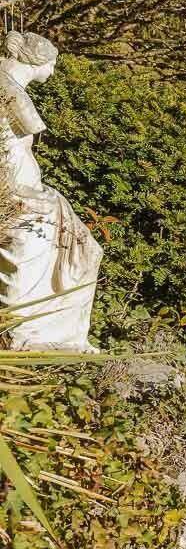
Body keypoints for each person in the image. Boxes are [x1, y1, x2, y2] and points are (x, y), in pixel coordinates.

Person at [2, 29, 101, 350]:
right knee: (35, 253)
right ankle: (25, 334)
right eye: (53, 65)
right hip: (19, 193)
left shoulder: (10, 85)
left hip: (29, 191)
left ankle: (45, 331)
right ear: (38, 60)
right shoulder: (10, 90)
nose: (54, 72)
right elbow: (26, 131)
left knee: (84, 248)